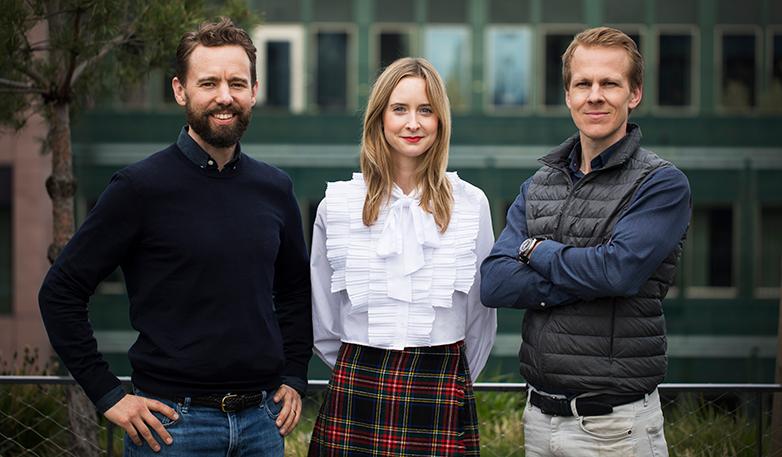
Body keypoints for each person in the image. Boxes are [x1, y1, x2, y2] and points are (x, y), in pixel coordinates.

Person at [38, 17, 312, 456]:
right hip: (170, 429)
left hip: (262, 426)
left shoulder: (275, 188)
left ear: (254, 92)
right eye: (209, 83)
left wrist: (296, 375)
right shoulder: (138, 188)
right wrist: (108, 394)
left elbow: (296, 291)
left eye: (237, 83)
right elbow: (60, 292)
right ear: (181, 91)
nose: (225, 96)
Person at [480, 27, 691, 457]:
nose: (595, 95)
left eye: (609, 83)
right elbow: (495, 283)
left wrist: (536, 251)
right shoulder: (539, 183)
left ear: (634, 95)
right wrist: (589, 277)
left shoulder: (662, 184)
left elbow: (617, 272)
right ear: (568, 95)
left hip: (616, 429)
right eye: (583, 84)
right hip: (537, 421)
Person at [308, 57, 496, 456]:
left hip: (441, 387)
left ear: (440, 120)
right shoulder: (336, 205)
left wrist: (453, 381)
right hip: (357, 385)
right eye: (400, 109)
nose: (413, 123)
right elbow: (324, 321)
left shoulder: (471, 204)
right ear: (379, 117)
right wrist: (359, 366)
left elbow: (481, 317)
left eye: (426, 110)